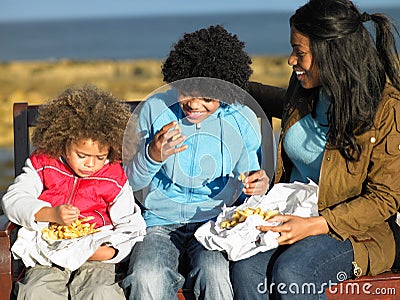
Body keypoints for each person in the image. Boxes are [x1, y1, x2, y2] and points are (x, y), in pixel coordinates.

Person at [230, 0, 400, 299]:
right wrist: (214, 83)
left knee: (294, 272)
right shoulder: (303, 90)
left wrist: (314, 225)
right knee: (245, 266)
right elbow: (275, 103)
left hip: (354, 232)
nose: (290, 61)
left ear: (332, 54)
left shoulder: (387, 108)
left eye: (300, 52)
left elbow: (384, 199)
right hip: (291, 211)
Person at [122, 25, 270, 299]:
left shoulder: (241, 118)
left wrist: (258, 185)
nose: (194, 105)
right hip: (158, 222)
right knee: (146, 276)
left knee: (215, 275)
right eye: (186, 92)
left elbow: (250, 179)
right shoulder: (155, 109)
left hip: (215, 224)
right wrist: (152, 156)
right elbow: (130, 183)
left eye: (208, 98)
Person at [1, 85, 146, 299]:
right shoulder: (43, 164)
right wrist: (50, 214)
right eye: (82, 154)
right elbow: (13, 200)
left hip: (95, 253)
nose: (90, 164)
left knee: (101, 292)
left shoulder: (114, 176)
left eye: (100, 157)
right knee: (36, 292)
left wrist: (111, 251)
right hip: (48, 251)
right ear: (64, 140)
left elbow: (130, 223)